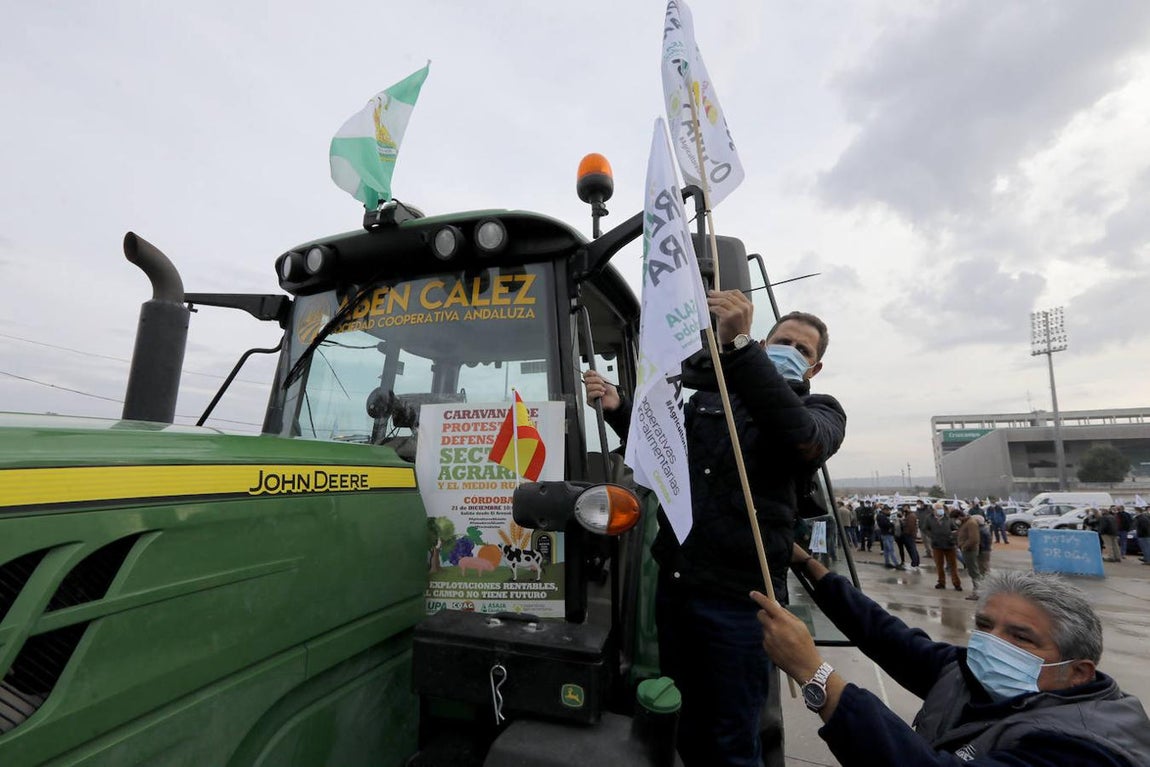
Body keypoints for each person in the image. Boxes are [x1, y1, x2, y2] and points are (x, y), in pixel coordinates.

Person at [584, 296, 846, 767]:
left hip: (743, 606)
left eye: (802, 350)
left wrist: (739, 349)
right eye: (783, 341)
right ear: (765, 343)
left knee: (732, 738)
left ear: (815, 367)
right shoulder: (708, 400)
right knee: (681, 723)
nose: (790, 351)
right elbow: (664, 453)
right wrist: (619, 407)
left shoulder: (822, 410)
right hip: (679, 592)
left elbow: (801, 438)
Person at [750, 550, 1150, 766]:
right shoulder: (965, 675)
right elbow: (887, 636)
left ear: (1079, 672)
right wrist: (808, 565)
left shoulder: (1085, 747)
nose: (992, 644)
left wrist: (815, 674)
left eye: (1020, 638)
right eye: (985, 625)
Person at [923, 503, 961, 591]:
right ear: (934, 510)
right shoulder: (929, 518)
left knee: (953, 565)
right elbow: (925, 528)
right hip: (937, 545)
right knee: (939, 565)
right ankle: (941, 582)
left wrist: (952, 536)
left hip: (949, 545)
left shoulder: (948, 518)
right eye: (938, 508)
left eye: (941, 508)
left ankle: (956, 583)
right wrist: (932, 536)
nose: (940, 510)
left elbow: (955, 529)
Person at [898, 505, 921, 570]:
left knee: (912, 549)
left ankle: (914, 563)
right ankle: (916, 563)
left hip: (909, 535)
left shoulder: (911, 516)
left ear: (908, 508)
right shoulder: (907, 515)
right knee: (912, 549)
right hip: (909, 535)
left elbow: (910, 527)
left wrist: (906, 532)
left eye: (905, 507)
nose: (903, 509)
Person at [877, 504, 899, 569]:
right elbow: (885, 525)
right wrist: (892, 524)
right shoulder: (882, 517)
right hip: (887, 534)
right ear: (884, 510)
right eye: (888, 510)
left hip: (885, 534)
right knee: (891, 550)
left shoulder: (882, 516)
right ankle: (896, 563)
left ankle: (887, 562)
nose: (889, 511)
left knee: (886, 550)